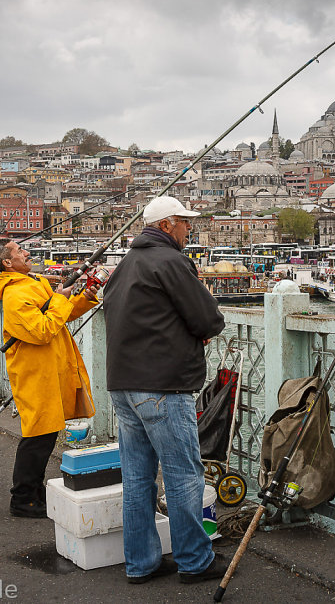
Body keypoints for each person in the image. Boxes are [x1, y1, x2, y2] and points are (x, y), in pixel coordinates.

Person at [103, 196, 227, 584]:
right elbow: (208, 317)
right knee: (183, 475)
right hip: (162, 386)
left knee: (138, 480)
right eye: (186, 223)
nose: (190, 229)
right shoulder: (171, 261)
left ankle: (141, 563)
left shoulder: (125, 264)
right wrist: (199, 335)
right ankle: (194, 560)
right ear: (168, 224)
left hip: (123, 386)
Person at [0, 238, 97, 518]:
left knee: (45, 435)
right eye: (19, 251)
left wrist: (83, 297)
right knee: (37, 436)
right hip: (35, 374)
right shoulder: (15, 295)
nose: (26, 253)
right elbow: (43, 330)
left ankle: (34, 492)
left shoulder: (31, 285)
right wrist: (60, 297)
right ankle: (22, 498)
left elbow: (59, 315)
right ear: (7, 263)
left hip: (48, 370)